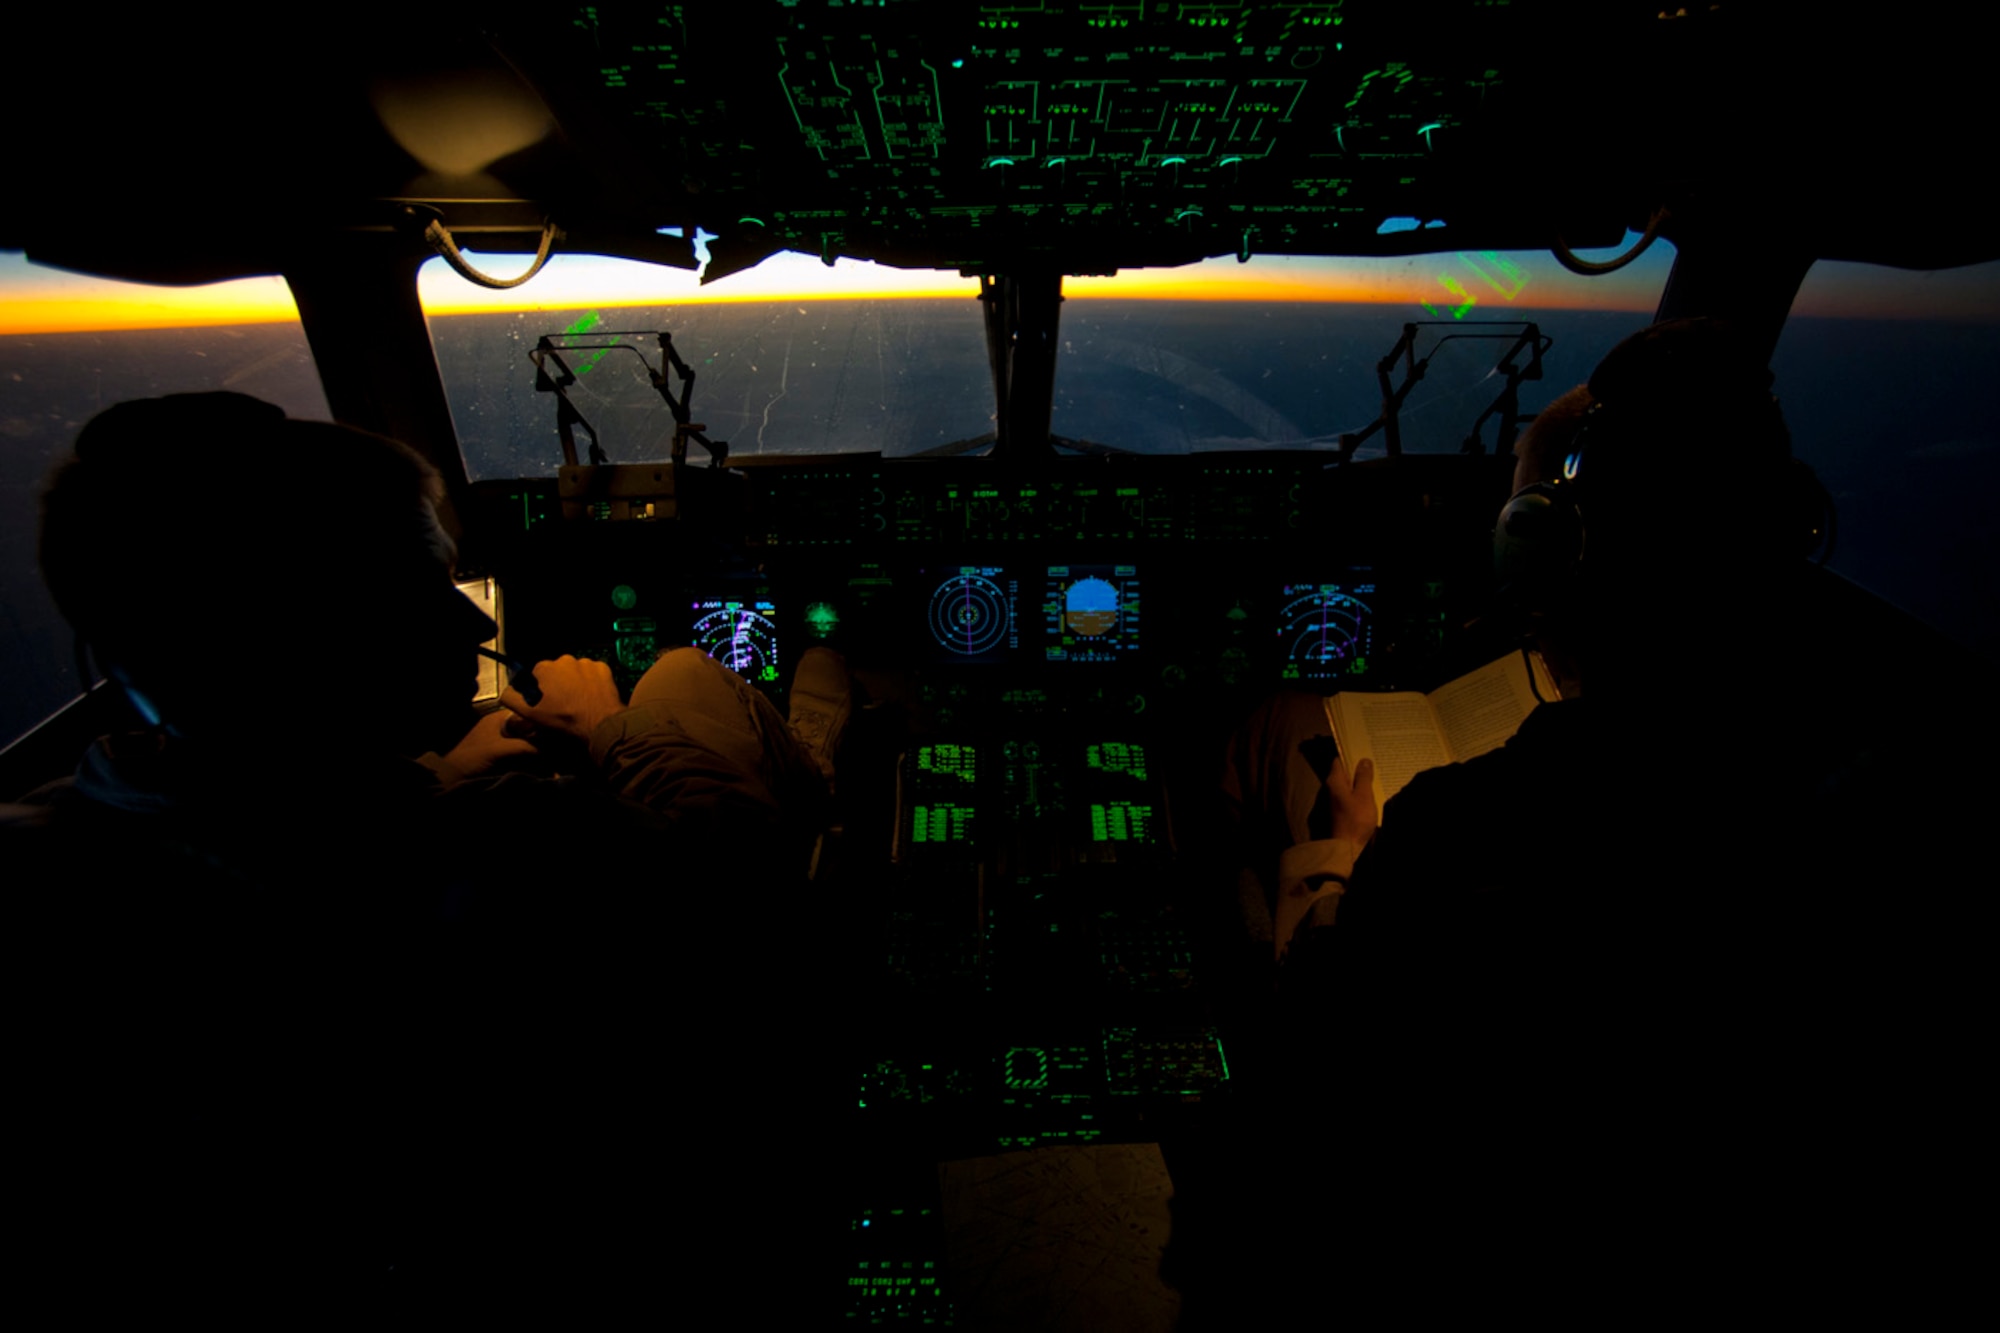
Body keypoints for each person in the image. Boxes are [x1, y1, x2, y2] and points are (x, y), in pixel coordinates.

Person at [7, 392, 852, 1314]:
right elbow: (761, 916)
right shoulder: (530, 849)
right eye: (420, 591)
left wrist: (421, 777)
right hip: (571, 1239)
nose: (477, 627)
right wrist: (613, 729)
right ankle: (813, 744)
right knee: (684, 676)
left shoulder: (53, 847)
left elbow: (285, 837)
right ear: (293, 633)